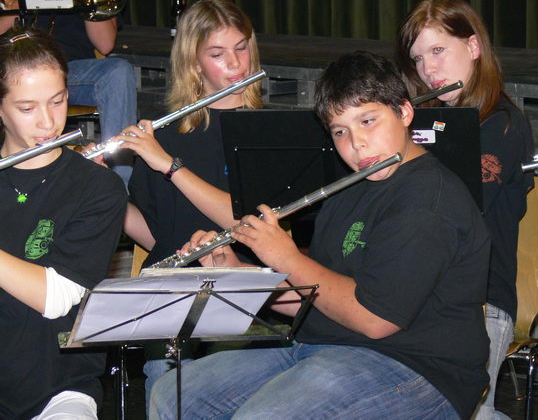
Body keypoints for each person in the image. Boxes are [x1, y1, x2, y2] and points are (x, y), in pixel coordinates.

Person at [149, 51, 491, 420]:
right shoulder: (351, 186)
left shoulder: (427, 199)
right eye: (340, 131)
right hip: (326, 346)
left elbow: (375, 320)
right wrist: (237, 275)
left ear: (405, 113)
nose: (357, 143)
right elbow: (317, 297)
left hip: (418, 367)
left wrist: (285, 257)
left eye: (368, 121)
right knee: (174, 394)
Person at [114, 0, 263, 404]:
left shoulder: (266, 133)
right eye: (217, 54)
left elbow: (245, 223)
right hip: (171, 286)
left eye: (241, 47)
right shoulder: (163, 137)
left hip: (241, 285)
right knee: (163, 382)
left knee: (221, 379)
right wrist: (100, 191)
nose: (235, 64)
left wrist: (169, 166)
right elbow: (153, 235)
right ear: (194, 64)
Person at [397, 0, 534, 419]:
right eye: (418, 59)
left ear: (473, 48)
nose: (428, 69)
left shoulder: (504, 124)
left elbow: (457, 211)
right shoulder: (416, 124)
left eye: (438, 51)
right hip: (413, 292)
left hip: (479, 300)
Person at [0, 27, 126, 419]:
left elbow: (57, 297)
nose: (47, 122)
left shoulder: (97, 188)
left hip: (57, 386)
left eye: (57, 101)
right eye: (27, 108)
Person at [0, 0, 137, 186]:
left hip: (70, 72)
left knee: (119, 70)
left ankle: (116, 185)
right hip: (18, 72)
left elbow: (106, 44)